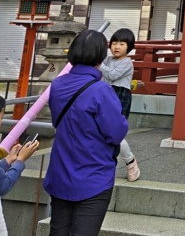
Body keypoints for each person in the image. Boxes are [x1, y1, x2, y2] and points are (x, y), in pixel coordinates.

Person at [43, 29, 128, 236]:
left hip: (61, 170)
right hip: (93, 174)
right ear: (100, 57)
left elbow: (57, 121)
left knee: (58, 231)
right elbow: (116, 133)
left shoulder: (57, 85)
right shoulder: (101, 91)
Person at [101, 27, 141, 181]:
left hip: (119, 96)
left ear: (129, 47)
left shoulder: (127, 62)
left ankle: (130, 161)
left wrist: (98, 63)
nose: (117, 47)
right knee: (101, 131)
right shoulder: (108, 59)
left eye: (122, 44)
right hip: (104, 94)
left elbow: (112, 75)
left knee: (115, 132)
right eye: (114, 43)